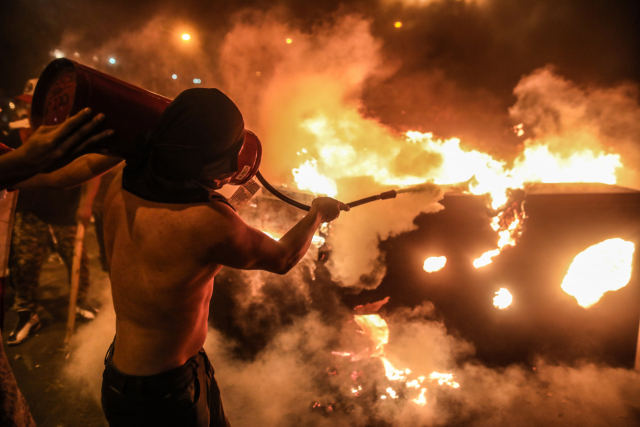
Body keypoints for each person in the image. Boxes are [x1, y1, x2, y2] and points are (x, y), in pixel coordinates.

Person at [98, 88, 349, 426]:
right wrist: (317, 213)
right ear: (200, 156)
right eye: (228, 152)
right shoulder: (207, 222)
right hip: (163, 395)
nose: (234, 164)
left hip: (139, 377)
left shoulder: (121, 180)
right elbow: (283, 258)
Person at [0, 107, 117, 427]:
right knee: (25, 266)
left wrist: (123, 146)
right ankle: (28, 314)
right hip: (31, 213)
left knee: (77, 266)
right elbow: (44, 174)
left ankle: (80, 303)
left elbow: (62, 175)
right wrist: (27, 158)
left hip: (61, 215)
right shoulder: (19, 140)